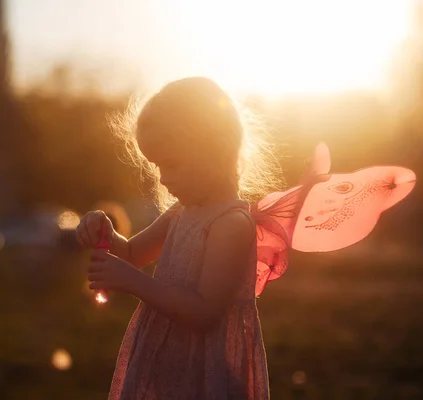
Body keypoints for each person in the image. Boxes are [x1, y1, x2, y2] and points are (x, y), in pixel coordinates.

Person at [76, 77, 281, 399]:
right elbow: (131, 253)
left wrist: (132, 282)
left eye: (171, 164)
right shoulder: (181, 211)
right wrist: (104, 230)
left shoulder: (231, 224)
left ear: (215, 150)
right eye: (157, 165)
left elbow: (204, 313)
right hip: (168, 356)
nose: (163, 178)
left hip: (205, 368)